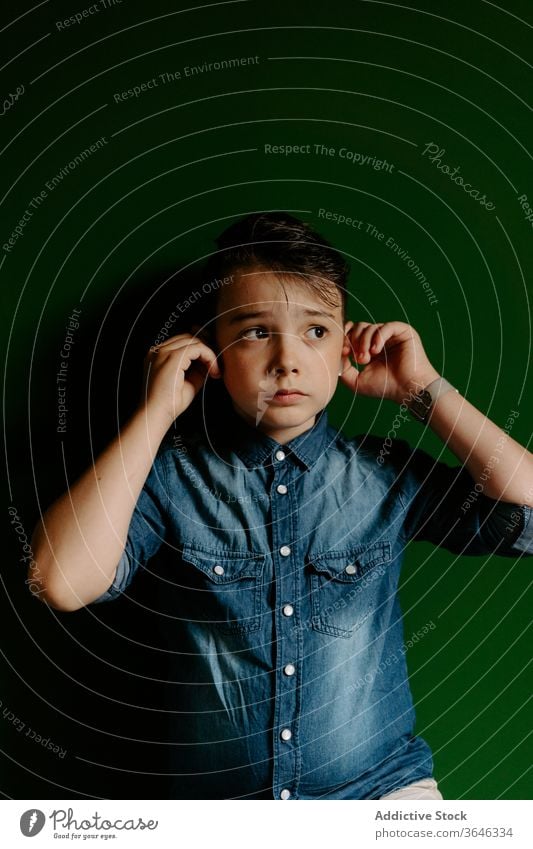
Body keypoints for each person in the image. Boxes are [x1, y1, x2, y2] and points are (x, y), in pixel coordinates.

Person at [29, 212, 533, 800]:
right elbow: (59, 580)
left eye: (316, 331)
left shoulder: (386, 473)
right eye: (254, 332)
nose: (287, 360)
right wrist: (157, 412)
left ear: (347, 342)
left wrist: (422, 391)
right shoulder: (169, 480)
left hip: (381, 795)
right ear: (211, 348)